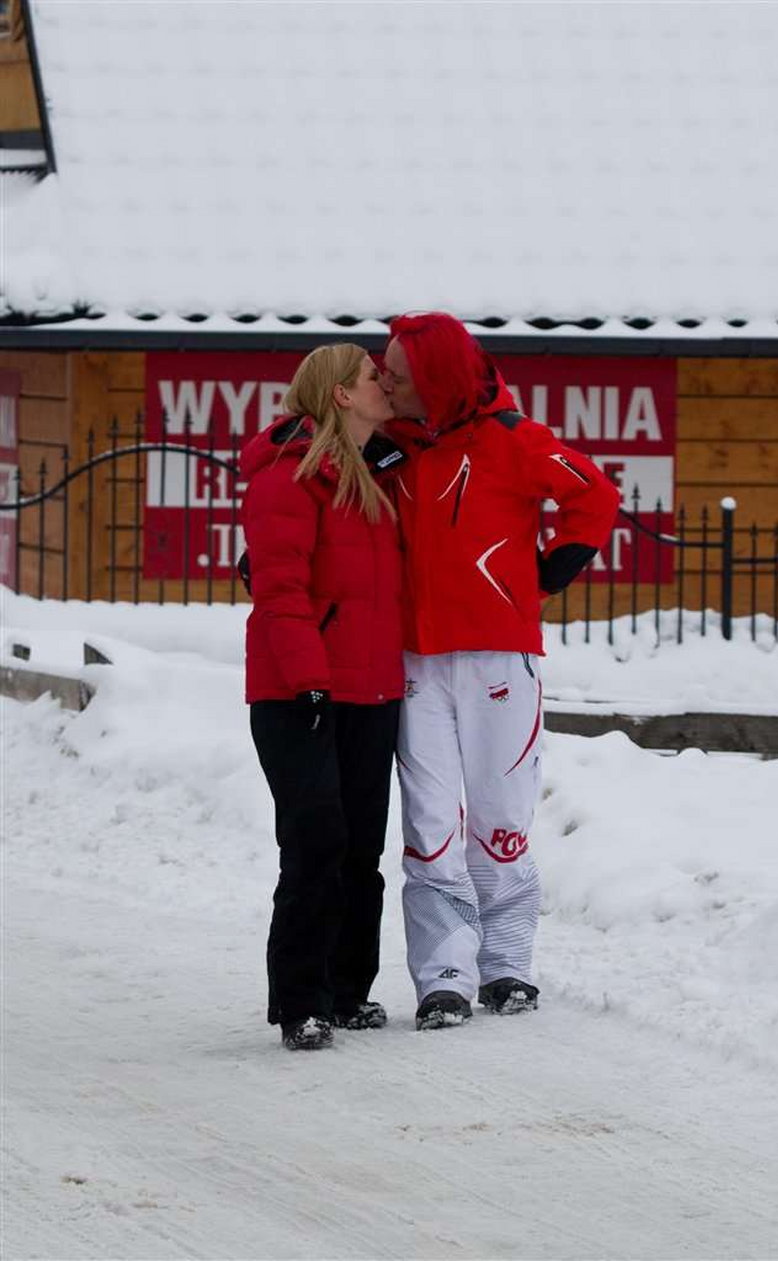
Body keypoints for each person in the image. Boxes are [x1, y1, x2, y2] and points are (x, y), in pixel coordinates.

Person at [380, 312, 620, 1031]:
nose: (383, 379)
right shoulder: (386, 444)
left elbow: (594, 497)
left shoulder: (512, 438)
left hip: (499, 661)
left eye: (396, 371)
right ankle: (443, 975)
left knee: (502, 815)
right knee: (430, 821)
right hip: (416, 660)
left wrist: (542, 578)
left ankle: (508, 962)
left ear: (435, 379)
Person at [240, 344, 406, 1051]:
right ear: (340, 394)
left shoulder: (384, 472)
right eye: (375, 376)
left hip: (371, 690)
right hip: (297, 691)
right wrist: (310, 678)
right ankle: (300, 1001)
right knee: (316, 840)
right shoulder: (288, 480)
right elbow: (280, 591)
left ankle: (346, 989)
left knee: (362, 845)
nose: (387, 384)